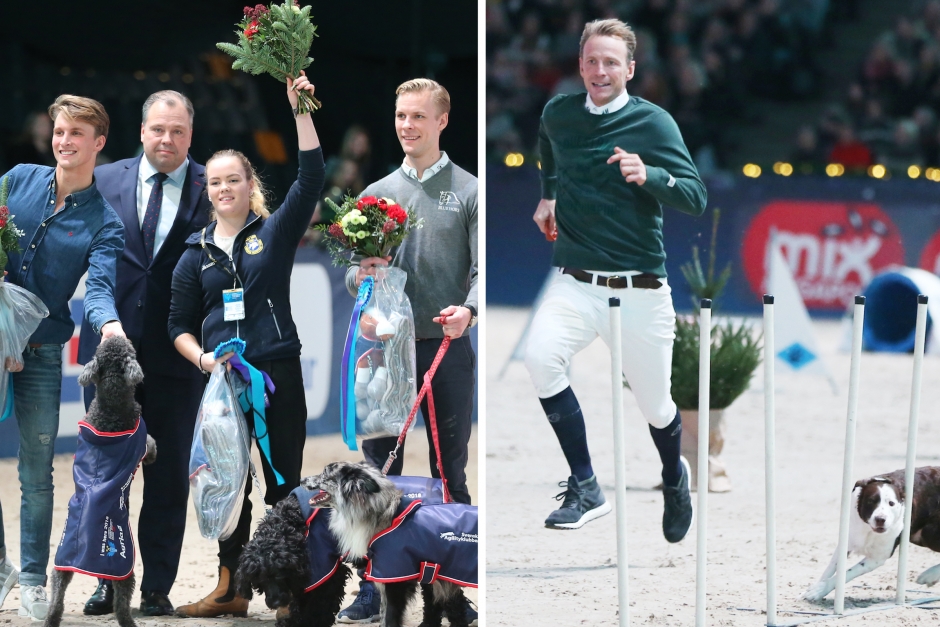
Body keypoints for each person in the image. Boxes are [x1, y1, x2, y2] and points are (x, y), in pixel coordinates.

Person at [526, 19, 706, 539]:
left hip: (641, 290)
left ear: (629, 69)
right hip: (575, 280)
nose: (599, 70)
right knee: (540, 358)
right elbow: (546, 143)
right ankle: (586, 486)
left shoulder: (655, 124)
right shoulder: (559, 111)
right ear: (580, 65)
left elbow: (696, 197)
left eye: (610, 62)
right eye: (591, 61)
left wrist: (648, 174)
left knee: (656, 406)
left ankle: (674, 474)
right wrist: (549, 192)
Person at [167, 71, 324, 619]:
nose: (224, 189)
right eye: (214, 182)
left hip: (277, 373)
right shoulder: (194, 254)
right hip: (223, 384)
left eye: (233, 180)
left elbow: (311, 176)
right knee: (228, 486)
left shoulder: (273, 234)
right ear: (205, 190)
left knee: (284, 486)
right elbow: (177, 326)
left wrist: (299, 107)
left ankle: (286, 594)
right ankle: (231, 590)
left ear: (248, 182)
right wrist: (205, 358)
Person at [340, 78, 478, 624]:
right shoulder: (375, 192)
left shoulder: (468, 190)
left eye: (418, 116)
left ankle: (453, 590)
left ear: (443, 121)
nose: (407, 126)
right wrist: (361, 284)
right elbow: (354, 273)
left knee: (451, 473)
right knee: (376, 474)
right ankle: (375, 586)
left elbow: (481, 270)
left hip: (446, 347)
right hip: (385, 353)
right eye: (401, 116)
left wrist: (469, 309)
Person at [76, 90, 211, 617]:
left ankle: (156, 584)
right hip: (113, 355)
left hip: (180, 356)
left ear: (190, 135)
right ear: (141, 130)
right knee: (107, 476)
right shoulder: (104, 179)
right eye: (158, 129)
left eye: (178, 131)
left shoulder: (211, 183)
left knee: (168, 475)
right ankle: (107, 579)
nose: (167, 139)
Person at [0, 95, 125, 620]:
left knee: (36, 472)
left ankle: (31, 577)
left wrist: (111, 325)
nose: (64, 141)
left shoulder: (105, 223)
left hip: (43, 352)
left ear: (98, 144)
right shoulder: (17, 179)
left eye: (77, 133)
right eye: (59, 131)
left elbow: (97, 290)